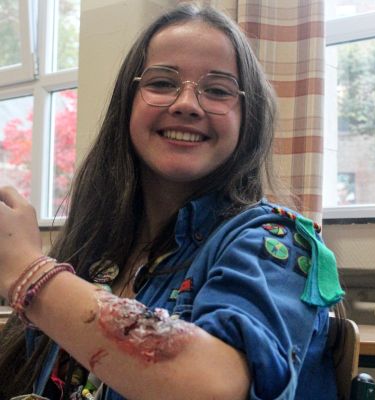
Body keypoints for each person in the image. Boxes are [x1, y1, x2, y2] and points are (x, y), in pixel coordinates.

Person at [0, 3, 344, 400]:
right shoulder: (97, 247)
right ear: (127, 103)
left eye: (218, 90)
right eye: (162, 83)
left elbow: (218, 388)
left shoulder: (275, 243)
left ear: (248, 119)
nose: (186, 104)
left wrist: (27, 271)